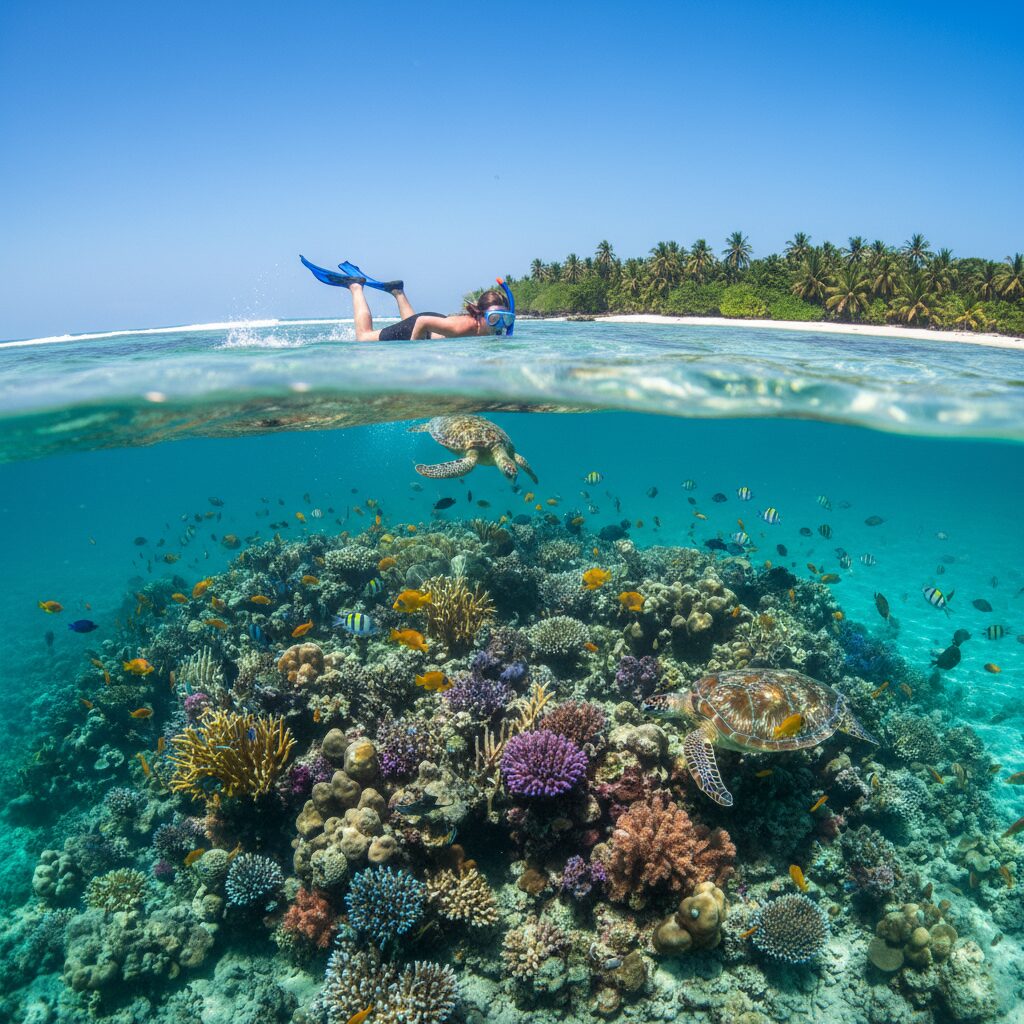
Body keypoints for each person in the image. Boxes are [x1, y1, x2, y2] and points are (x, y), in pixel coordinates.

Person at [299, 256, 515, 341]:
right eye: (495, 319)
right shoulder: (463, 327)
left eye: (506, 320)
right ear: (479, 315)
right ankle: (355, 287)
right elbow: (421, 322)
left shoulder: (484, 330)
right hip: (423, 322)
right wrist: (413, 355)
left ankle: (398, 292)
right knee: (363, 338)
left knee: (423, 332)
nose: (501, 326)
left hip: (432, 325)